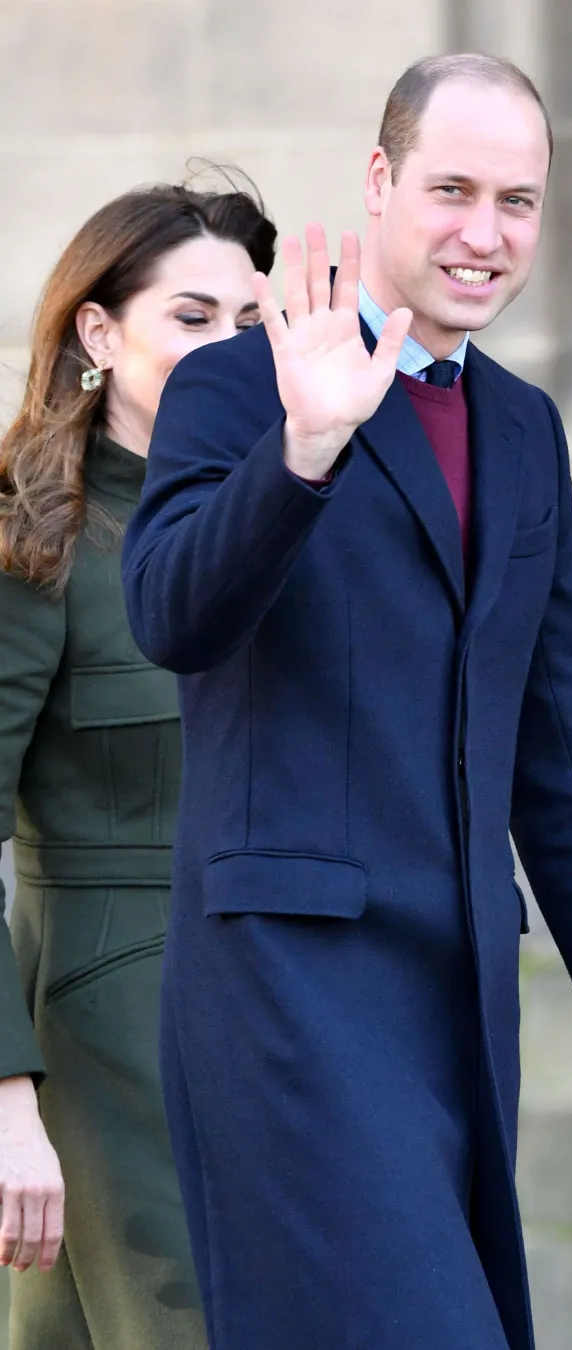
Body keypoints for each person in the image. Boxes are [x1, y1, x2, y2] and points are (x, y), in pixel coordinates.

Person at [122, 55, 572, 1350]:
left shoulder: (523, 430)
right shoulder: (238, 388)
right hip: (286, 987)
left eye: (517, 200)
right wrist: (305, 449)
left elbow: (564, 752)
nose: (484, 233)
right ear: (382, 181)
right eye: (452, 189)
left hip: (452, 998)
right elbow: (170, 615)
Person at [0, 178, 276, 1349]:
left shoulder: (294, 512)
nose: (230, 350)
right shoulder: (31, 536)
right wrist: (8, 1105)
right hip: (118, 1044)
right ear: (98, 334)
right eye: (193, 317)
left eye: (253, 324)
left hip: (289, 1020)